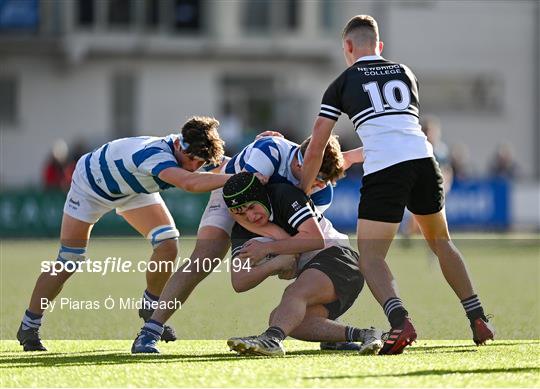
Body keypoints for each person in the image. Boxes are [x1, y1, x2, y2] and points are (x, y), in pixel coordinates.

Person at [299, 15, 494, 355]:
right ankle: (478, 317)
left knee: (371, 256)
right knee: (442, 243)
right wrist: (351, 157)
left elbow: (317, 144)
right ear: (380, 46)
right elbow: (394, 130)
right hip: (424, 161)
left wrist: (303, 189)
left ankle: (400, 322)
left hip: (387, 170)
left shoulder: (343, 82)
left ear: (347, 46)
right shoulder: (405, 72)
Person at [131, 135, 364, 353]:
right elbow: (241, 205)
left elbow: (301, 236)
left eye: (325, 183)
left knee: (301, 257)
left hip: (263, 207)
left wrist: (281, 255)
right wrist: (273, 243)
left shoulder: (323, 194)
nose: (318, 187)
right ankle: (151, 329)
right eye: (318, 180)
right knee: (205, 258)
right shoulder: (271, 152)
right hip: (233, 195)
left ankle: (323, 327)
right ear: (302, 163)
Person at [17, 116, 230, 352]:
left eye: (200, 163)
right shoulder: (154, 155)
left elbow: (223, 165)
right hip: (89, 187)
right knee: (69, 260)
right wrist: (239, 178)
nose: (193, 165)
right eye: (190, 159)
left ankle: (151, 307)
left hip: (133, 190)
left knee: (168, 245)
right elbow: (189, 183)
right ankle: (29, 325)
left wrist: (263, 153)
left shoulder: (193, 152)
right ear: (179, 145)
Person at [222, 172, 383, 356]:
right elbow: (239, 281)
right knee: (282, 318)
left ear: (263, 196)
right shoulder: (241, 230)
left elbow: (316, 240)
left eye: (252, 207)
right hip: (317, 274)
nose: (250, 217)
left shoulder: (284, 195)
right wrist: (274, 264)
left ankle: (272, 340)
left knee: (293, 294)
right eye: (241, 212)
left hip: (341, 259)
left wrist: (268, 249)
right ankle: (366, 335)